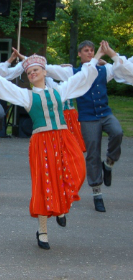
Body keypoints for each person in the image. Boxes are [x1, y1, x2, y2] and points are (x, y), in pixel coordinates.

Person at [0, 44, 103, 249]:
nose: (32, 73)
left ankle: (62, 207)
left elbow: (83, 77)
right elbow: (2, 85)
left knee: (77, 170)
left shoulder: (61, 90)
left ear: (45, 71)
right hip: (41, 142)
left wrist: (95, 57)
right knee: (44, 184)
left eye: (36, 70)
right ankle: (42, 231)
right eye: (29, 72)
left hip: (63, 138)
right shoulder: (26, 96)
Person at [45, 40, 125, 213]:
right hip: (88, 118)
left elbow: (122, 65)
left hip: (105, 113)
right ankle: (97, 193)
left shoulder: (105, 69)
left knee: (118, 132)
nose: (90, 53)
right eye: (86, 51)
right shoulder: (72, 72)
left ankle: (109, 163)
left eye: (92, 50)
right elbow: (49, 69)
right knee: (93, 153)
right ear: (80, 54)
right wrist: (28, 60)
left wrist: (110, 54)